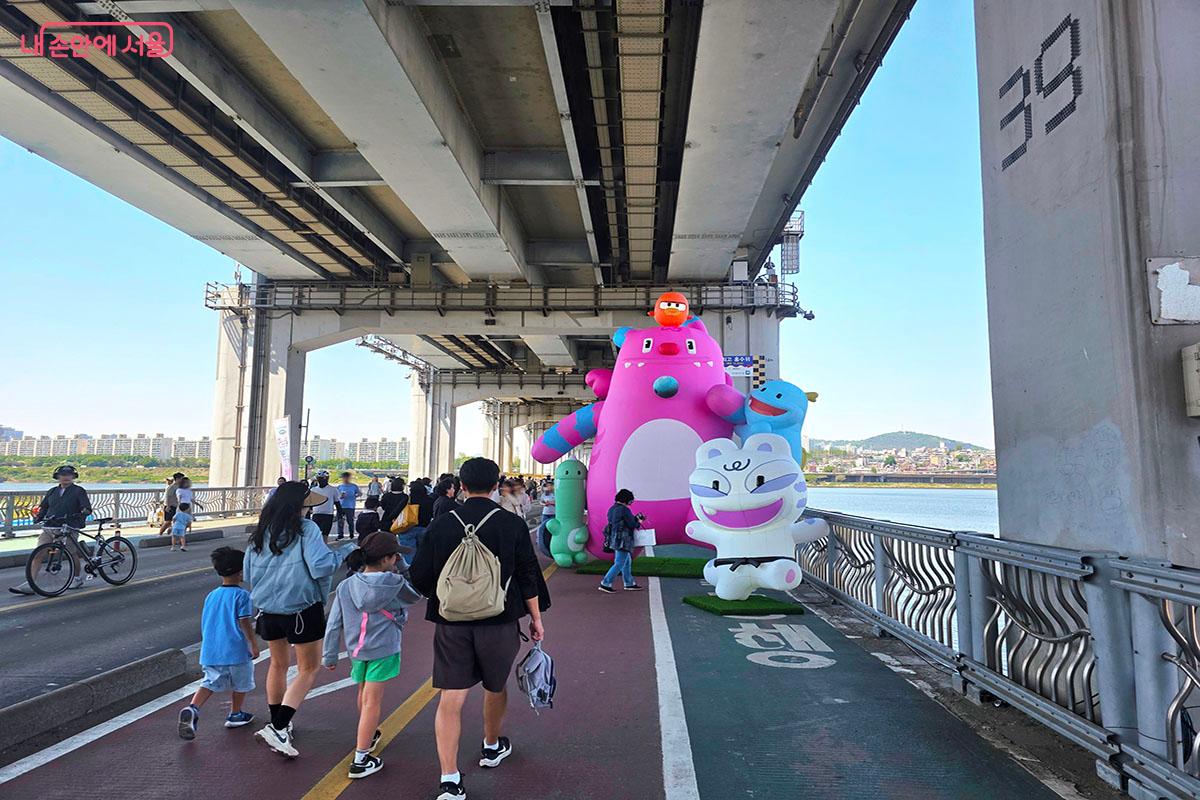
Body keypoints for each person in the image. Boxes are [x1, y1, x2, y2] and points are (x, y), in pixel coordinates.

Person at [409, 458, 549, 800]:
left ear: (462, 485)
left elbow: (419, 576)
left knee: (450, 697)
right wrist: (535, 618)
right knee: (495, 685)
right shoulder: (511, 525)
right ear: (496, 484)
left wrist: (448, 598)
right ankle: (490, 746)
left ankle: (449, 778)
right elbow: (528, 575)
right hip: (499, 620)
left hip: (451, 623)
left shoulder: (441, 525)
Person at [244, 481, 353, 758]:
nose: (309, 509)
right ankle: (278, 728)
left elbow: (247, 572)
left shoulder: (261, 532)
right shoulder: (307, 529)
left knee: (278, 665)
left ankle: (278, 722)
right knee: (308, 669)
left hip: (267, 610)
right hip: (301, 608)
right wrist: (345, 551)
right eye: (307, 504)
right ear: (299, 505)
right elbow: (321, 566)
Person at [323, 531, 420, 779]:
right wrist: (404, 568)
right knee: (372, 702)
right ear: (389, 558)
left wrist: (330, 655)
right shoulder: (395, 584)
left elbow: (334, 623)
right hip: (383, 649)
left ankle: (370, 733)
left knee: (363, 694)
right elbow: (416, 595)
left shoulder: (345, 586)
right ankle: (361, 758)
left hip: (356, 649)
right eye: (396, 556)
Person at [177, 546, 259, 739]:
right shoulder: (242, 595)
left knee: (209, 682)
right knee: (241, 683)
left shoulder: (212, 595)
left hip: (212, 650)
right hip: (236, 650)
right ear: (241, 572)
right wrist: (253, 643)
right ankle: (235, 713)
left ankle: (193, 708)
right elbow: (244, 622)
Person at [10, 465, 93, 595]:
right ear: (58, 477)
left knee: (71, 553)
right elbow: (44, 507)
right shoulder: (52, 491)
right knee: (38, 553)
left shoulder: (78, 491)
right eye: (62, 475)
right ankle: (31, 583)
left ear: (73, 477)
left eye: (68, 475)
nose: (65, 477)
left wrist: (84, 512)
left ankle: (76, 578)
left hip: (69, 526)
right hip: (50, 526)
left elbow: (86, 507)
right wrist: (39, 516)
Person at [598, 489, 644, 593]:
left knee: (626, 561)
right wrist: (639, 521)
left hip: (614, 538)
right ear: (626, 500)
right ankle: (606, 583)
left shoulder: (612, 509)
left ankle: (629, 583)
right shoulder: (625, 510)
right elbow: (632, 524)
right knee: (619, 563)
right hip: (624, 539)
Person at [308, 470, 340, 540]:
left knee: (325, 534)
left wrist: (340, 513)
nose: (322, 481)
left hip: (328, 514)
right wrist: (309, 510)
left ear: (327, 479)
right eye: (320, 479)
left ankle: (324, 548)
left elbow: (337, 502)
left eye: (323, 479)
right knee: (315, 534)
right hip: (316, 514)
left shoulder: (333, 489)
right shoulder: (313, 490)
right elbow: (310, 502)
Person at [336, 472, 361, 541]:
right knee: (340, 521)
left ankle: (351, 534)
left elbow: (359, 493)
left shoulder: (354, 486)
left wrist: (355, 496)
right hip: (341, 506)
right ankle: (340, 535)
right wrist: (341, 496)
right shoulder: (339, 487)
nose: (345, 479)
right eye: (344, 478)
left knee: (350, 521)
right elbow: (337, 497)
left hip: (350, 506)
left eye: (346, 477)